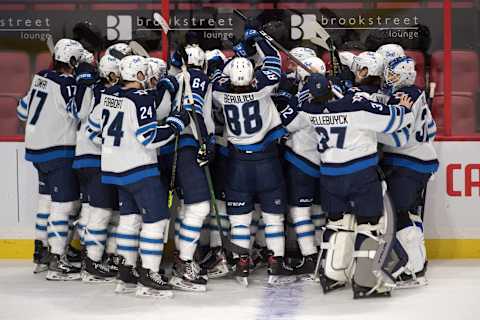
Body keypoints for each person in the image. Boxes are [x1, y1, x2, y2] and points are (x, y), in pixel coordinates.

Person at [280, 71, 414, 297]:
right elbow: (394, 120)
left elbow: (289, 120)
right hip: (360, 175)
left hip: (330, 176)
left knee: (336, 223)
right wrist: (406, 109)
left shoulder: (309, 111)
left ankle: (332, 275)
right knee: (369, 225)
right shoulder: (356, 108)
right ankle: (365, 281)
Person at [87, 55, 190, 297]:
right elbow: (149, 137)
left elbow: (93, 131)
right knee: (156, 221)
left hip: (115, 171)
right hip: (140, 170)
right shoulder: (141, 98)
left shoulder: (108, 96)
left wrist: (117, 148)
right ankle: (149, 274)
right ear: (140, 75)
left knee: (129, 219)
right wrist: (176, 123)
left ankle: (126, 270)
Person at [212, 29, 294, 286]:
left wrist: (232, 57)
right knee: (272, 218)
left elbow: (218, 75)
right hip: (266, 162)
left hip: (237, 164)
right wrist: (258, 39)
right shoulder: (263, 90)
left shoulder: (219, 93)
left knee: (239, 220)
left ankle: (241, 264)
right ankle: (276, 263)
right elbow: (273, 61)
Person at [17, 39, 84, 279]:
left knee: (45, 202)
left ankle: (41, 254)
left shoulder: (39, 78)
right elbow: (80, 113)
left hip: (36, 151)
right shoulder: (68, 83)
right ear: (73, 61)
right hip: (59, 151)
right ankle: (58, 259)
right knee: (63, 205)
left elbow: (22, 111)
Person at [378, 56, 438, 288]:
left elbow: (396, 133)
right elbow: (431, 128)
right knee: (409, 213)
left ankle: (413, 269)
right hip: (420, 160)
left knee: (398, 214)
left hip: (407, 163)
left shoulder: (402, 96)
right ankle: (419, 263)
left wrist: (369, 131)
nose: (388, 79)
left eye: (393, 75)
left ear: (405, 75)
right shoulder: (417, 93)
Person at [164, 44, 215, 292]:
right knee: (199, 206)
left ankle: (180, 258)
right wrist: (205, 142)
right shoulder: (199, 78)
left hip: (171, 147)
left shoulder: (175, 77)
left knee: (186, 209)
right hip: (187, 145)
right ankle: (184, 264)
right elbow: (196, 111)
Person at [70, 54, 122, 282]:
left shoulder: (95, 89)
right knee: (100, 212)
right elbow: (94, 128)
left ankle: (91, 258)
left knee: (94, 209)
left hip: (87, 157)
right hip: (95, 158)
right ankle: (91, 262)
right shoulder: (104, 93)